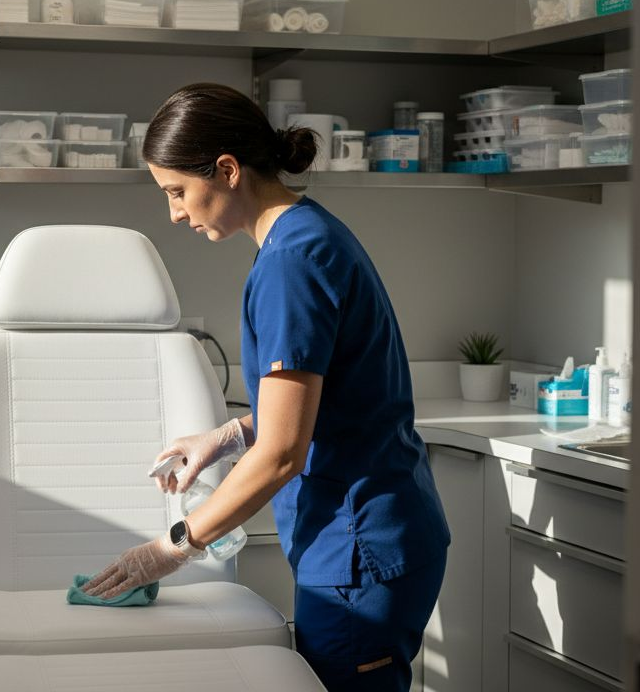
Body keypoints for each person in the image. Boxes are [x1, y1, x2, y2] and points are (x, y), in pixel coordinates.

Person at [81, 83, 450, 691]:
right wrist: (229, 435)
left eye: (176, 191)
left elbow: (282, 454)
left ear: (227, 171)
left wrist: (171, 548)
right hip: (375, 535)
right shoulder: (309, 233)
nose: (175, 213)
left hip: (359, 546)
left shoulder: (289, 263)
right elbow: (331, 398)